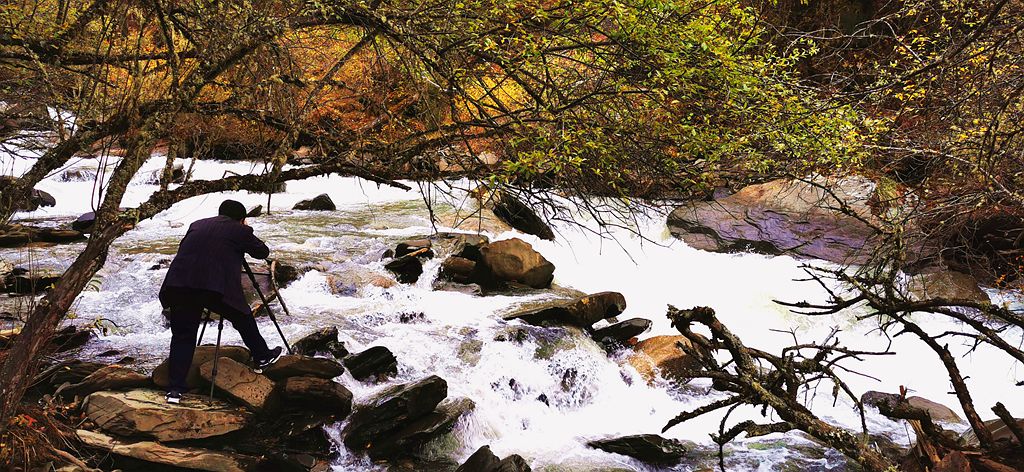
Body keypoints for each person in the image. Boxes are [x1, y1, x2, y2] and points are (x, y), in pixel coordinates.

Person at [159, 199, 283, 404]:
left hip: (179, 283)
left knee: (183, 335)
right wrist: (245, 232)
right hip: (212, 287)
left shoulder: (197, 224)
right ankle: (262, 355)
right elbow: (262, 252)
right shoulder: (240, 230)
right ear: (241, 219)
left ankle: (174, 390)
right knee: (242, 315)